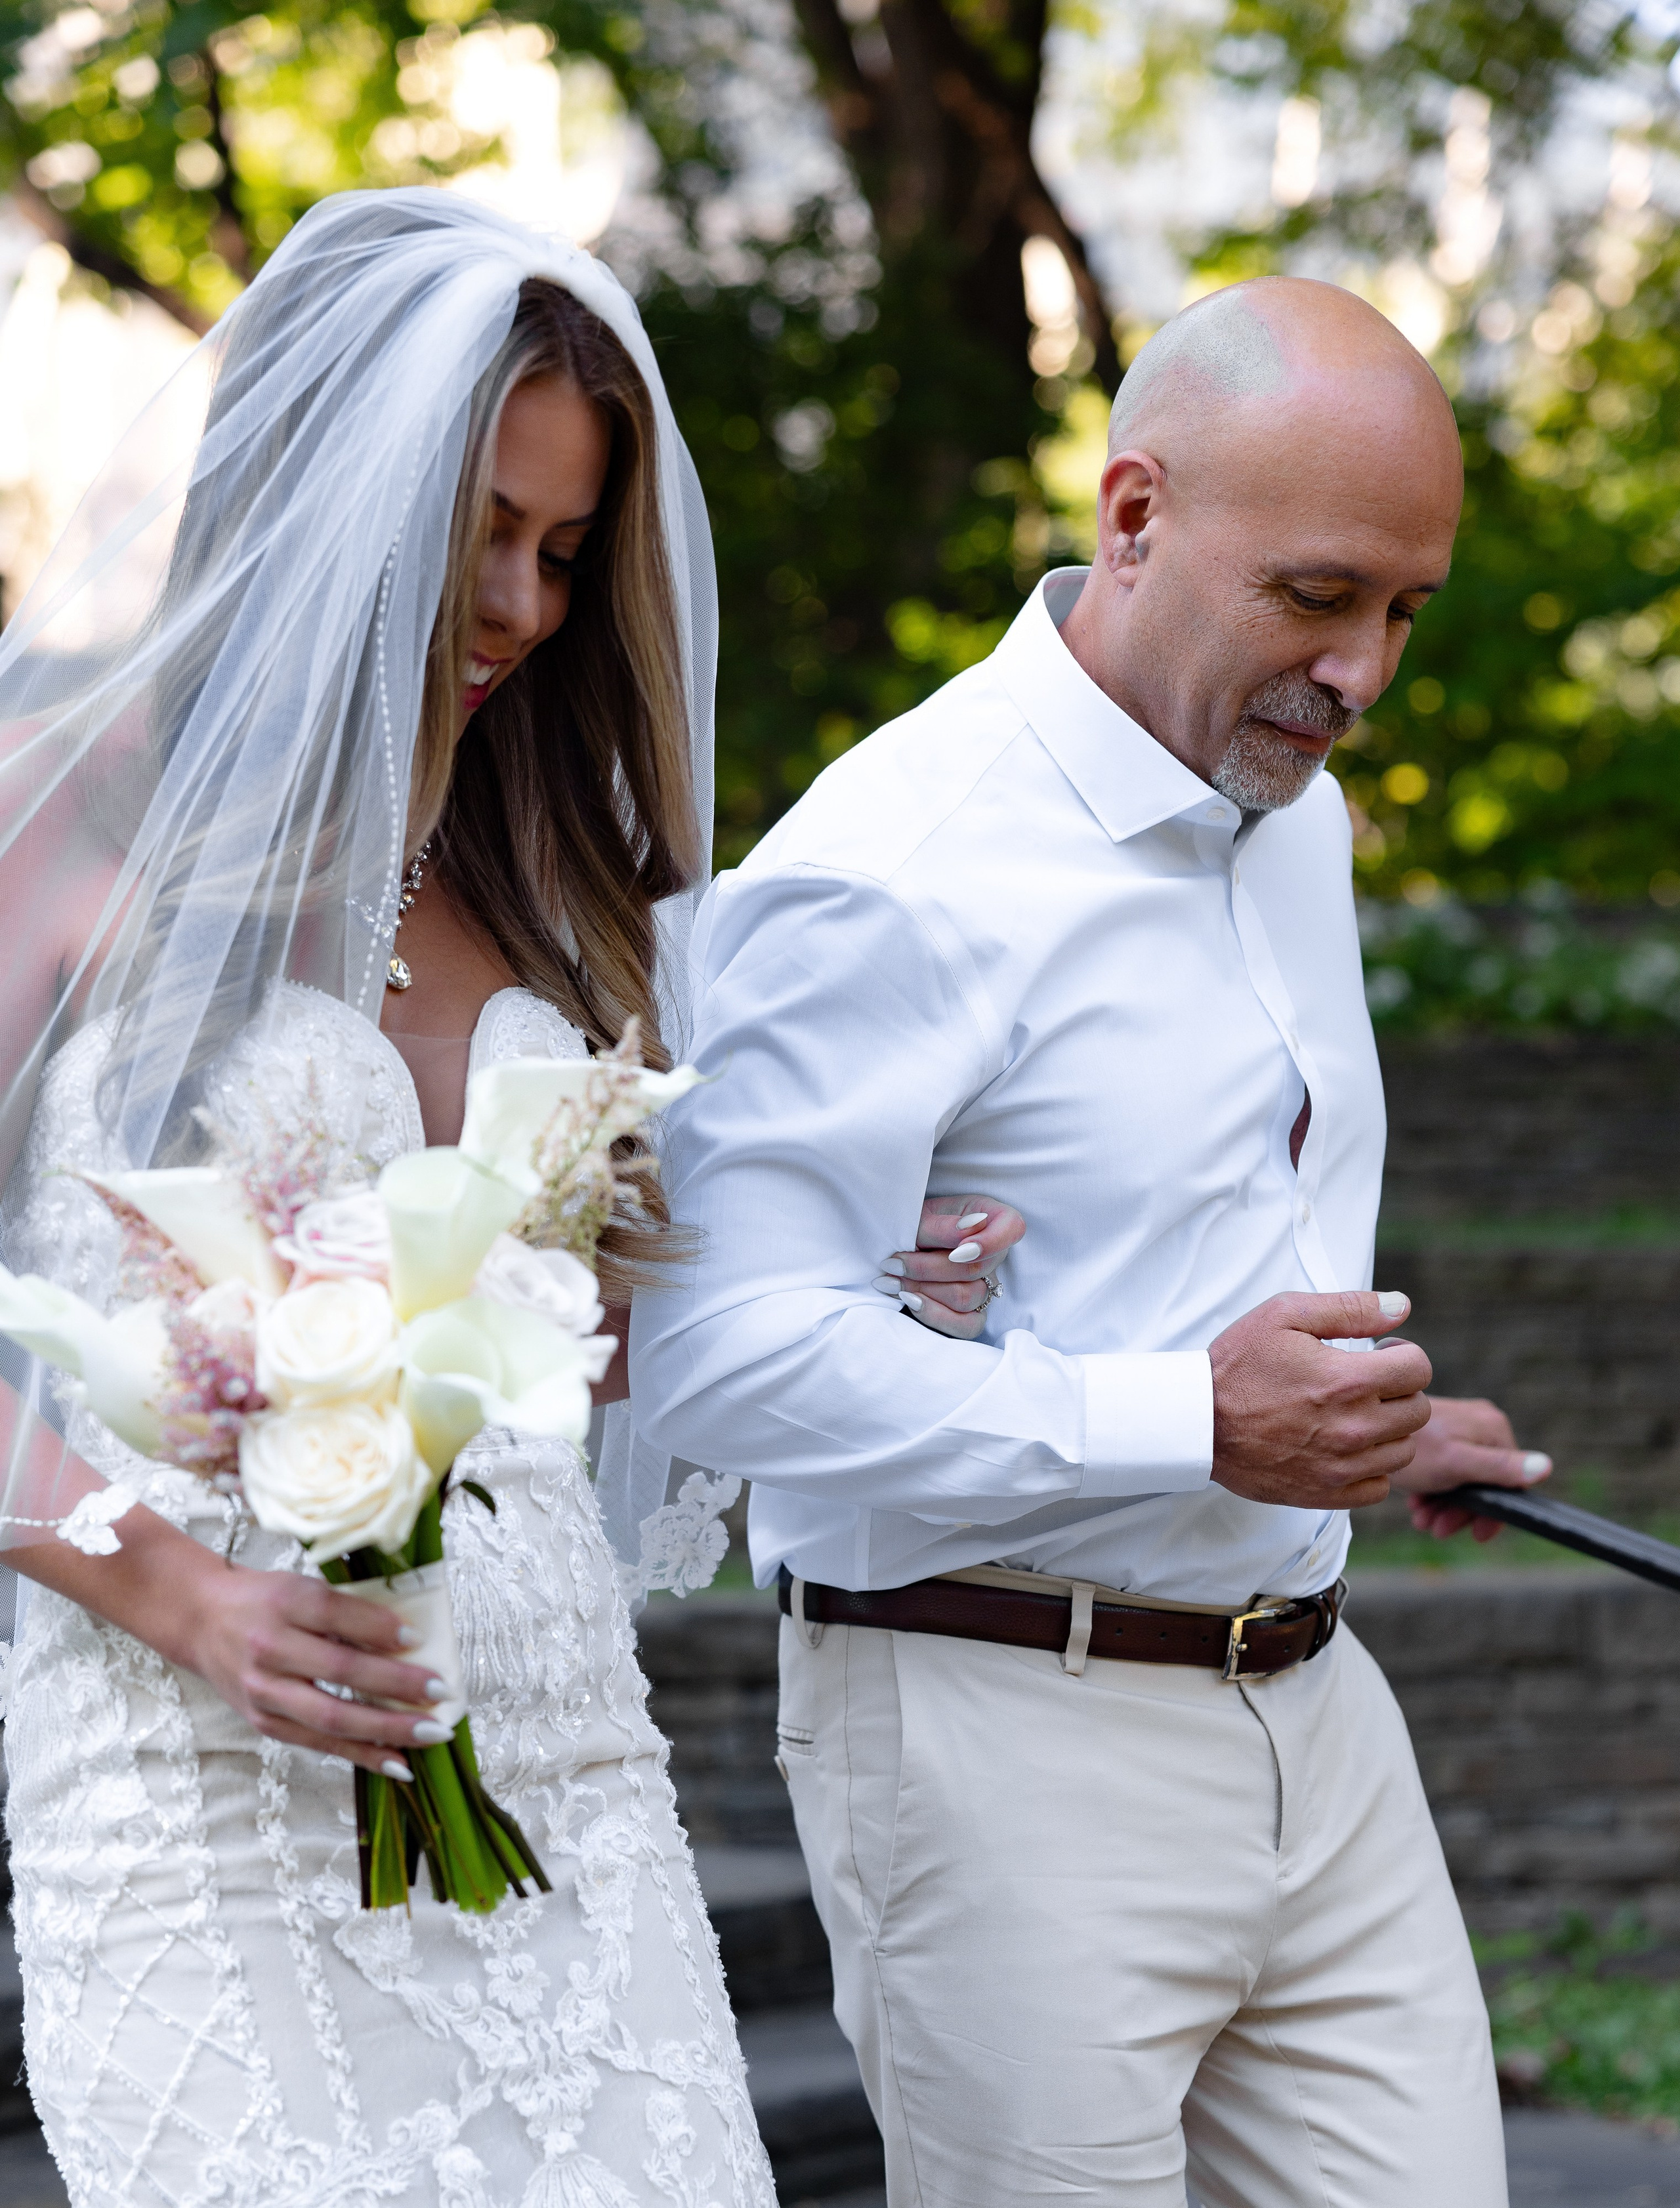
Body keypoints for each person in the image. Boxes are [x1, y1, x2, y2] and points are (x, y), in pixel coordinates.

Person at [0, 190, 1013, 2208]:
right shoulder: (68, 827)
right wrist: (178, 1591)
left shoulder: (556, 873)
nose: (527, 608)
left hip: (557, 1759)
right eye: (484, 529)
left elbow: (568, 1342)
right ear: (317, 488)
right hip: (202, 1787)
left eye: (564, 552)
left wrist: (848, 1289)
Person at [633, 276, 1552, 2207]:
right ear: (1133, 517)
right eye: (1319, 596)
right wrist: (1187, 1421)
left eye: (1405, 611)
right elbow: (723, 1351)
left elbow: (1191, 1253)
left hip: (1319, 1707)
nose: (1366, 671)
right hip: (992, 1739)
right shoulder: (889, 871)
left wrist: (1374, 1424)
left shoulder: (1290, 807)